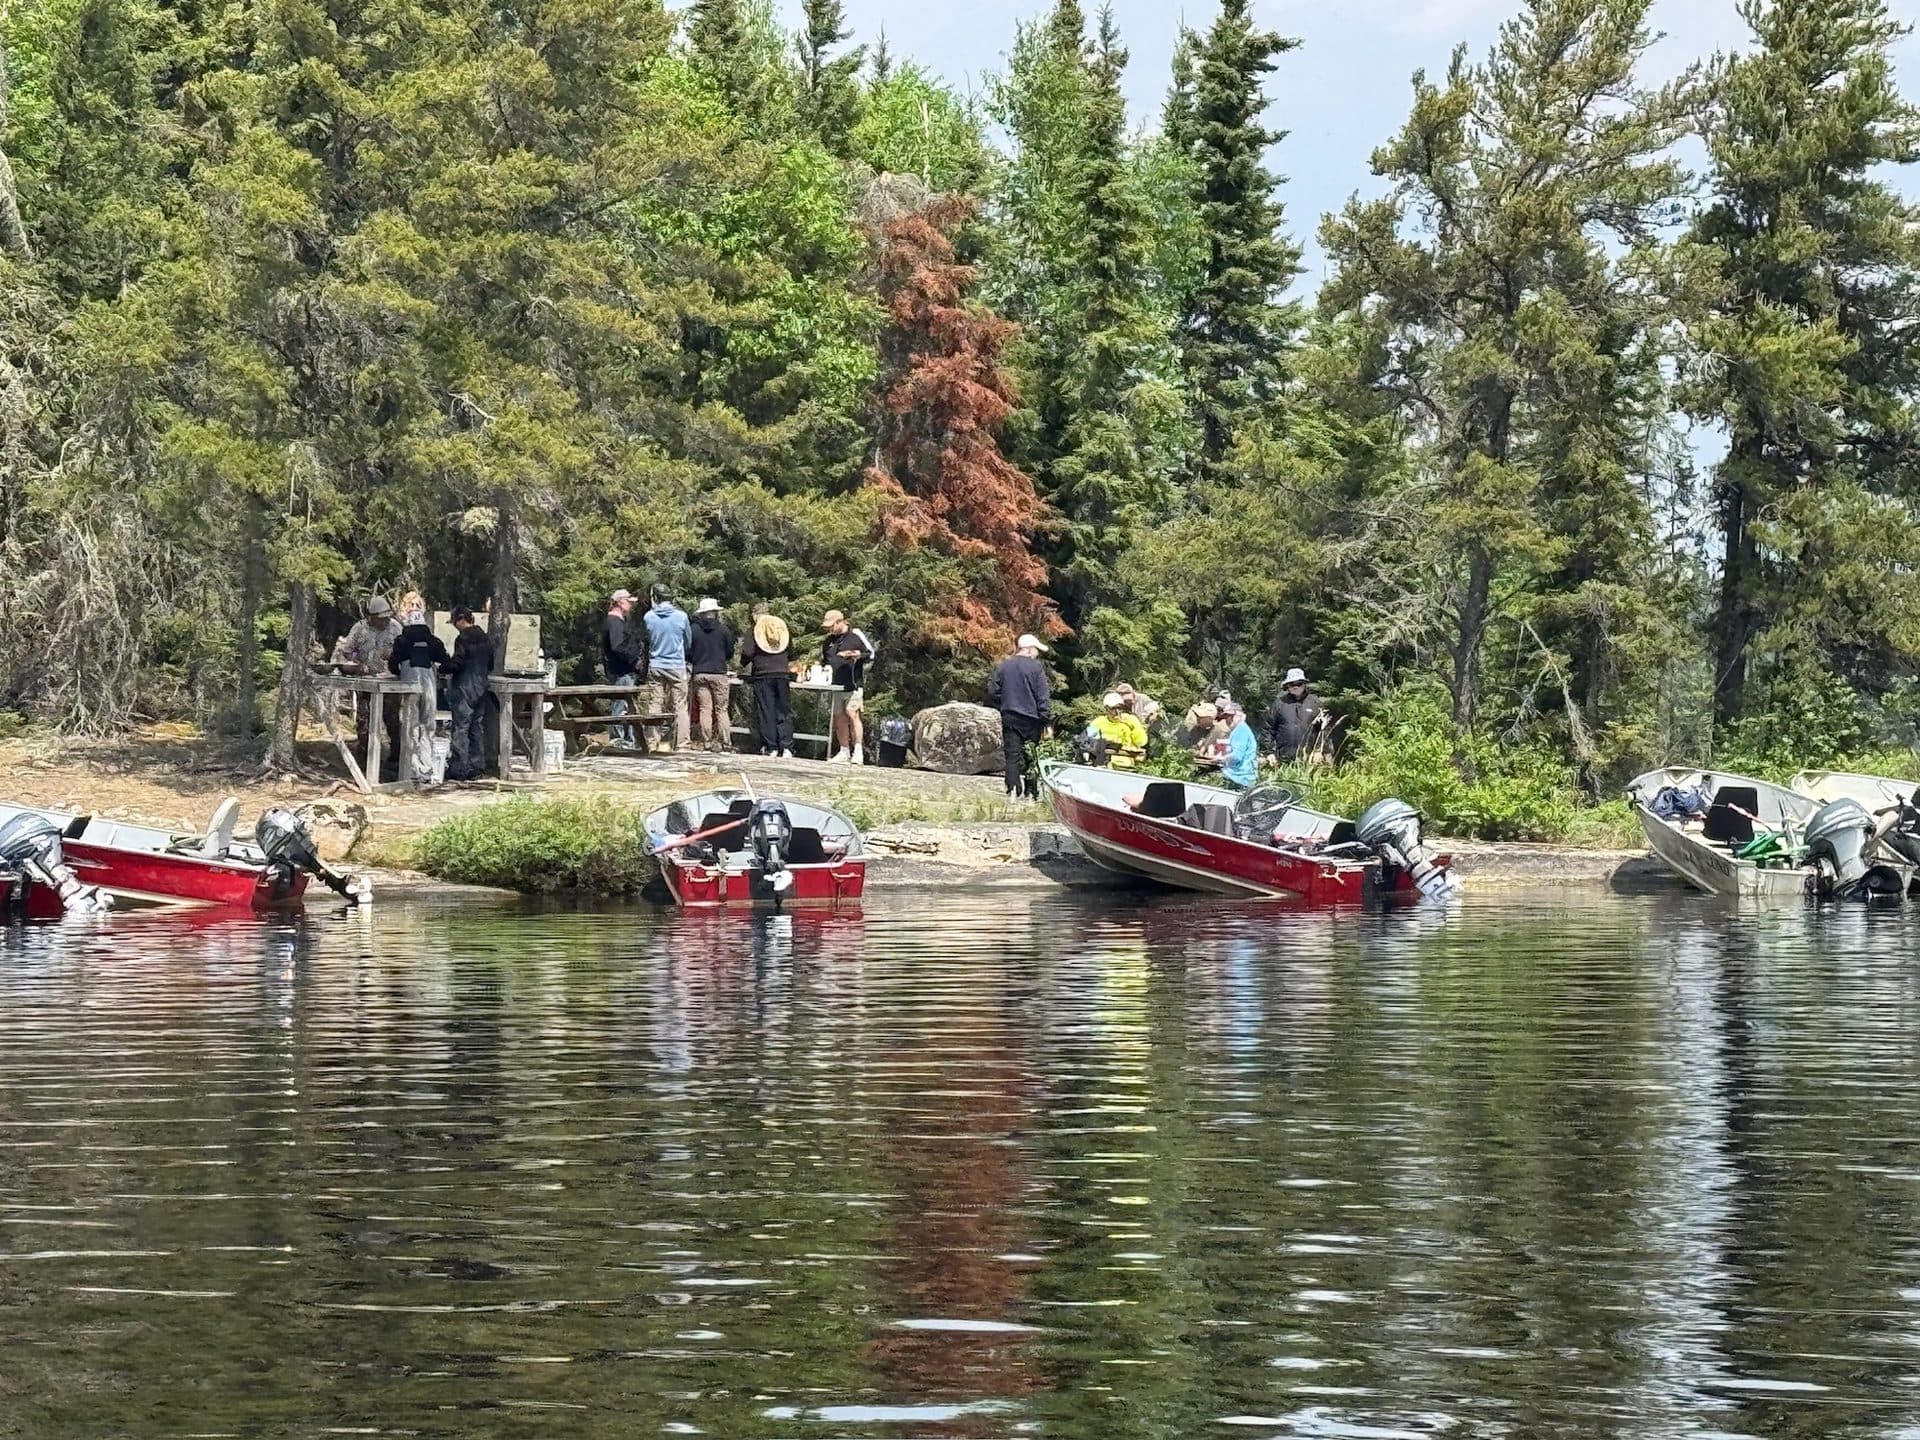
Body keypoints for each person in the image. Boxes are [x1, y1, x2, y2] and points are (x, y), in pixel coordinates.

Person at [386, 597, 448, 784]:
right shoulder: (433, 641)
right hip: (428, 685)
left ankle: (410, 769)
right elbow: (444, 660)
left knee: (409, 726)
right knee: (427, 726)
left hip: (408, 686)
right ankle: (427, 768)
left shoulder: (401, 640)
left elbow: (392, 664)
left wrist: (399, 673)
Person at [339, 595, 402, 768]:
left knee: (393, 722)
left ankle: (396, 759)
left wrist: (395, 655)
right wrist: (358, 663)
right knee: (364, 723)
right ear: (371, 616)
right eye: (381, 618)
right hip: (366, 682)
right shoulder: (359, 629)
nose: (385, 621)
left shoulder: (396, 628)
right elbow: (348, 650)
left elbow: (405, 650)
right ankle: (365, 760)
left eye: (387, 617)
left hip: (390, 682)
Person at [987, 634, 1052, 798]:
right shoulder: (1036, 668)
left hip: (1010, 716)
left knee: (1012, 756)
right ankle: (1031, 791)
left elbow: (993, 691)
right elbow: (1042, 694)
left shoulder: (1004, 666)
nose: (1037, 654)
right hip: (1032, 719)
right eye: (1036, 650)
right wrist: (1045, 717)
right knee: (1031, 756)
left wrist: (1003, 704)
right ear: (1029, 649)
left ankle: (1013, 790)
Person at [443, 606, 494, 781]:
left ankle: (459, 769)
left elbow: (458, 662)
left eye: (455, 622)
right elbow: (491, 663)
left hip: (464, 687)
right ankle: (477, 766)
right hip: (481, 687)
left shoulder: (463, 638)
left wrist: (443, 667)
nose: (454, 626)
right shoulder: (485, 638)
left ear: (461, 619)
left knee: (460, 728)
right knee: (476, 728)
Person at [739, 603, 794, 758]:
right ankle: (787, 746)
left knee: (766, 710)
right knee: (783, 710)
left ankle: (771, 746)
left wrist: (742, 664)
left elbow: (748, 652)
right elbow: (790, 650)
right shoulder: (781, 628)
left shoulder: (754, 630)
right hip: (782, 673)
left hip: (763, 674)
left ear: (754, 615)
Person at [643, 584, 693, 754]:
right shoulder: (681, 616)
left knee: (655, 703)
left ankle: (652, 742)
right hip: (676, 665)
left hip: (656, 664)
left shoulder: (649, 617)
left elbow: (647, 639)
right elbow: (688, 641)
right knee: (680, 705)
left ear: (655, 597)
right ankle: (682, 743)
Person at [821, 609, 875, 764]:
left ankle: (858, 750)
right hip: (836, 685)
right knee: (839, 718)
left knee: (853, 714)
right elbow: (825, 660)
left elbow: (870, 654)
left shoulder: (855, 636)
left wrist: (856, 655)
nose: (829, 630)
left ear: (840, 622)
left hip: (853, 684)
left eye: (831, 626)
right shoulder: (828, 641)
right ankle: (844, 750)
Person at [687, 598, 735, 753]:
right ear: (715, 612)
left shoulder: (693, 629)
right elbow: (730, 652)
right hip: (719, 673)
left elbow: (688, 651)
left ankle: (706, 741)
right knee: (721, 709)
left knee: (704, 709)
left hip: (700, 672)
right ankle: (725, 742)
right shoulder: (724, 630)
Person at [602, 589, 644, 748]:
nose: (631, 605)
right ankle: (618, 740)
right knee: (621, 705)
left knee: (626, 706)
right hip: (621, 671)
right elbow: (618, 646)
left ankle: (628, 740)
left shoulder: (618, 621)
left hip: (624, 671)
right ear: (619, 602)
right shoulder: (614, 622)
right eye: (629, 602)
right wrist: (634, 659)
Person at [1263, 667, 1326, 763]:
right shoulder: (1279, 703)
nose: (1295, 686)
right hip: (1283, 758)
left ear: (1304, 684)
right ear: (1287, 686)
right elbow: (1268, 729)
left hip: (1310, 759)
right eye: (1292, 684)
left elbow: (1324, 730)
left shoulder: (1315, 703)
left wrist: (1318, 750)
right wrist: (1269, 752)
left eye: (1299, 683)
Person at [1090, 691, 1149, 771]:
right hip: (1103, 765)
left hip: (1127, 766)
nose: (1117, 711)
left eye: (1120, 707)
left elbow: (1142, 742)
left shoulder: (1131, 719)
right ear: (1106, 708)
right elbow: (1087, 741)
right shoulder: (1098, 722)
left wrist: (1133, 727)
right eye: (1113, 708)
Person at [1219, 700, 1259, 789]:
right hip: (1241, 778)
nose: (1227, 720)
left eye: (1230, 716)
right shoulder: (1240, 729)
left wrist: (1219, 759)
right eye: (1226, 717)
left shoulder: (1241, 729)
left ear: (1239, 715)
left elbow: (1237, 756)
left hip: (1240, 779)